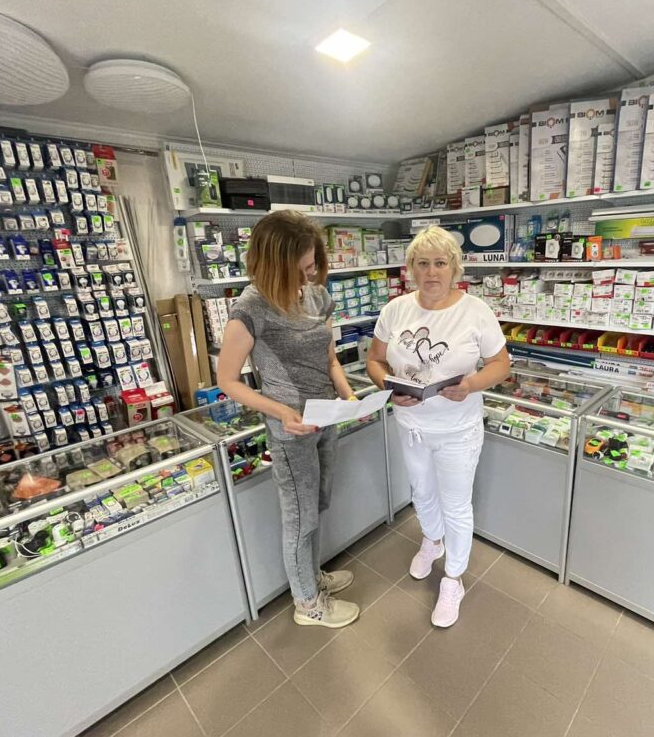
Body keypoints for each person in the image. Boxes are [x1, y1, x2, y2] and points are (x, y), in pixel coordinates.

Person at [217, 210, 360, 629]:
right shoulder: (250, 309)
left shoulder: (315, 296)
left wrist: (349, 396)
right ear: (274, 264)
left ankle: (311, 578)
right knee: (300, 515)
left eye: (313, 265)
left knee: (319, 502)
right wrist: (281, 411)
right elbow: (227, 380)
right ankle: (307, 604)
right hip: (290, 429)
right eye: (302, 268)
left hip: (326, 417)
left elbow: (330, 359)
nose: (310, 276)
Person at [365, 226, 510, 627]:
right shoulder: (395, 309)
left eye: (440, 263)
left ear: (454, 268)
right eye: (423, 263)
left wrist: (470, 386)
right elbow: (375, 360)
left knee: (456, 504)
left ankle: (454, 578)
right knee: (421, 492)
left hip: (458, 430)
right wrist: (388, 387)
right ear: (411, 268)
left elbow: (501, 365)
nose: (432, 272)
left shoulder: (475, 311)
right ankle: (432, 540)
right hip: (411, 424)